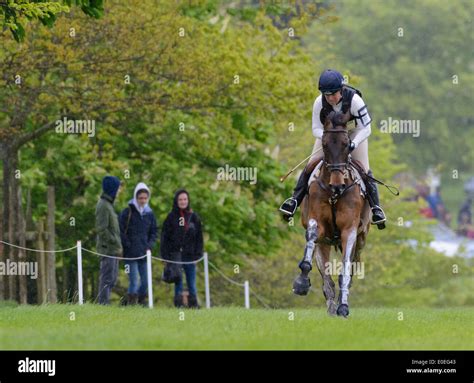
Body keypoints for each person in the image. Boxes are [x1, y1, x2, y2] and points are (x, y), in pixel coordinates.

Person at [279, 69, 386, 229]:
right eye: (326, 94)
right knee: (311, 165)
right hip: (329, 136)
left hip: (355, 134)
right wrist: (330, 139)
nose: (329, 98)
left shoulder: (355, 100)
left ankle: (376, 208)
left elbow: (366, 128)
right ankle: (294, 200)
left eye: (333, 94)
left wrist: (353, 143)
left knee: (364, 170)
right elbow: (315, 128)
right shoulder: (319, 102)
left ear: (341, 89)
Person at [161, 189, 203, 308]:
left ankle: (194, 305)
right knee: (178, 281)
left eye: (185, 199)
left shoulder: (194, 217)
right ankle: (178, 306)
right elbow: (164, 237)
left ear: (188, 200)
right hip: (175, 255)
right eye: (180, 199)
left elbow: (199, 238)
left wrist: (198, 255)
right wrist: (165, 256)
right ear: (176, 201)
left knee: (191, 283)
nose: (183, 201)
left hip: (190, 255)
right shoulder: (170, 217)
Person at [119, 182, 158, 306]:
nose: (143, 200)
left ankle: (139, 301)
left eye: (145, 198)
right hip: (130, 254)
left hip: (144, 253)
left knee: (146, 282)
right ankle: (131, 304)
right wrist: (127, 244)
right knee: (134, 281)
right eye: (140, 198)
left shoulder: (150, 214)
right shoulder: (127, 212)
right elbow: (120, 230)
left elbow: (154, 232)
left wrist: (150, 245)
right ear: (136, 197)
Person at [96, 175, 123, 305]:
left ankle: (105, 303)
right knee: (107, 278)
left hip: (112, 249)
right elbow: (102, 229)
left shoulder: (108, 205)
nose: (119, 191)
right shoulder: (103, 206)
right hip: (107, 249)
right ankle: (103, 303)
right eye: (118, 188)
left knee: (112, 278)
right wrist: (115, 242)